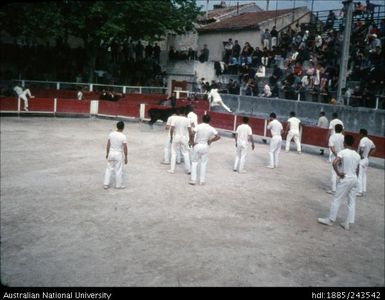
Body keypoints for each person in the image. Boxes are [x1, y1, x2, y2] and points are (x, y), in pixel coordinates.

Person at [317, 135, 361, 230]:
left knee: (336, 199)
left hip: (346, 177)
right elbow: (358, 169)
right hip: (354, 178)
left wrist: (338, 173)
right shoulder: (357, 155)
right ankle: (347, 223)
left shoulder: (343, 152)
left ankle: (331, 220)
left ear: (344, 143)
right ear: (353, 143)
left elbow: (334, 162)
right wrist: (356, 178)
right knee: (351, 201)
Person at [189, 114, 220, 185]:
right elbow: (218, 136)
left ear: (202, 119)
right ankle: (202, 181)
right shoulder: (211, 128)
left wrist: (192, 142)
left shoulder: (198, 126)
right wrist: (211, 140)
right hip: (205, 146)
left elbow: (192, 133)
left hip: (197, 144)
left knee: (194, 163)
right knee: (203, 164)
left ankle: (193, 180)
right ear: (209, 120)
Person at [103, 121, 128, 189]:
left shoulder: (111, 134)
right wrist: (126, 157)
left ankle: (106, 184)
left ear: (116, 126)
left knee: (108, 169)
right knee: (118, 170)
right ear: (123, 128)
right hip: (118, 154)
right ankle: (118, 185)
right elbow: (125, 147)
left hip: (111, 153)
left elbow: (108, 144)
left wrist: (107, 153)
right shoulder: (123, 136)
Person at [168, 108, 192, 174]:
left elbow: (171, 129)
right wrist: (190, 139)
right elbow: (190, 131)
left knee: (174, 153)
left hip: (176, 136)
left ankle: (172, 169)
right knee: (185, 153)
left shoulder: (175, 119)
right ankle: (189, 169)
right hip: (184, 137)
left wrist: (171, 137)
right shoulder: (187, 120)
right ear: (184, 113)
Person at [356, 129, 376, 197]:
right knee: (364, 175)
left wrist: (360, 155)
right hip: (366, 159)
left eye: (359, 134)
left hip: (362, 159)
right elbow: (374, 148)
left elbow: (362, 147)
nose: (359, 135)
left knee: (359, 175)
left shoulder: (363, 140)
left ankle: (359, 191)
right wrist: (368, 155)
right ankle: (363, 190)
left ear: (362, 134)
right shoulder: (370, 141)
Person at [327, 124, 345, 195]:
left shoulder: (332, 137)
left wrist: (337, 156)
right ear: (341, 130)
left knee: (334, 173)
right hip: (343, 156)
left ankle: (333, 189)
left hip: (335, 156)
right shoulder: (343, 137)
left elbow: (332, 147)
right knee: (342, 171)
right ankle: (341, 189)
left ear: (335, 129)